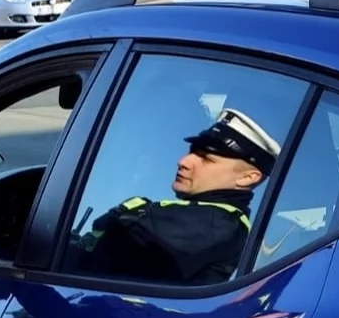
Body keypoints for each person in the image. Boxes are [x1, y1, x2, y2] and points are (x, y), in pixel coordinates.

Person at [69, 108, 280, 285]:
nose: (183, 161)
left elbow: (95, 261)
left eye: (205, 158)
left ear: (247, 178)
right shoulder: (215, 220)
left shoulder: (210, 224)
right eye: (191, 152)